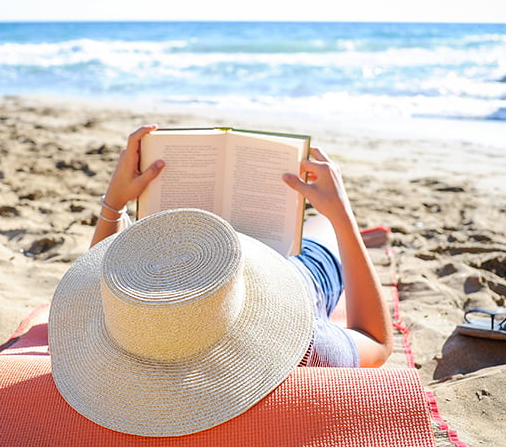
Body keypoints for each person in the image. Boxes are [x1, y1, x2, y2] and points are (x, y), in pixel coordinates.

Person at [91, 124, 393, 369]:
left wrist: (114, 204)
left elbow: (92, 281)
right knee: (325, 227)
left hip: (235, 261)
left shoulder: (126, 318)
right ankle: (353, 237)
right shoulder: (300, 344)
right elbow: (376, 342)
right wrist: (343, 219)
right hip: (296, 276)